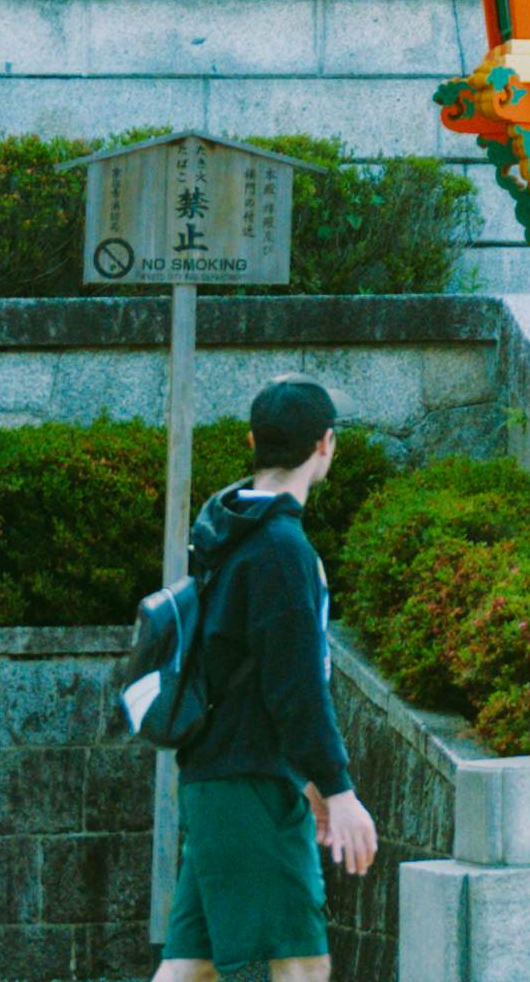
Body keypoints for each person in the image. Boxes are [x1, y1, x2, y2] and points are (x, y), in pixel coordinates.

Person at [150, 378, 380, 982]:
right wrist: (338, 787)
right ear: (325, 445)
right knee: (300, 966)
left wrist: (306, 777)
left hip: (217, 779)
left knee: (188, 970)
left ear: (253, 442)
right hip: (250, 784)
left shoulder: (227, 535)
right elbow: (294, 685)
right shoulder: (282, 548)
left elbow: (250, 674)